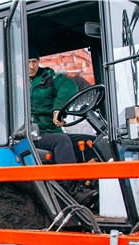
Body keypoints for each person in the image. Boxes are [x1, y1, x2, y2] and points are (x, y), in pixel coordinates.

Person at [28, 45, 97, 204]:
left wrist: (58, 110)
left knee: (92, 142)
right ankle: (73, 191)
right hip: (30, 133)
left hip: (52, 130)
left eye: (34, 61)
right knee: (62, 141)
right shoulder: (13, 82)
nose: (31, 66)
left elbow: (68, 86)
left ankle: (91, 185)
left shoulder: (49, 77)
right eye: (27, 62)